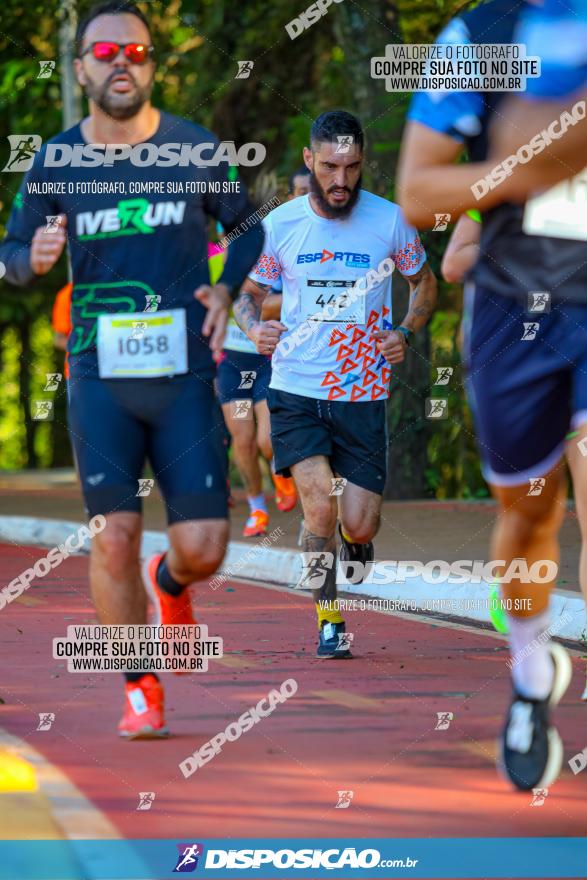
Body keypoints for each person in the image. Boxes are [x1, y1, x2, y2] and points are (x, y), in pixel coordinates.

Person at [0, 0, 263, 739]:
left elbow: (246, 226)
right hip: (98, 376)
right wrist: (33, 260)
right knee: (112, 533)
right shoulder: (55, 160)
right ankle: (140, 684)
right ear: (82, 66)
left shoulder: (194, 148)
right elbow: (11, 251)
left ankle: (171, 583)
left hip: (182, 378)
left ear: (152, 66)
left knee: (203, 549)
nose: (123, 62)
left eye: (138, 53)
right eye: (107, 51)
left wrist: (229, 287)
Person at [398, 0, 587, 791]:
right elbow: (416, 191)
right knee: (527, 513)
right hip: (519, 305)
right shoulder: (478, 36)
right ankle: (526, 670)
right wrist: (541, 162)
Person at [233, 110, 437, 657]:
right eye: (329, 167)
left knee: (360, 525)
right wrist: (256, 329)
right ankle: (329, 619)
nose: (340, 180)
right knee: (318, 508)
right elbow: (245, 295)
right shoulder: (282, 225)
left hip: (363, 393)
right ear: (309, 161)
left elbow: (424, 283)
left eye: (351, 167)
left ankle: (356, 540)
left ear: (363, 162)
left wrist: (406, 329)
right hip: (297, 388)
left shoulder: (390, 221)